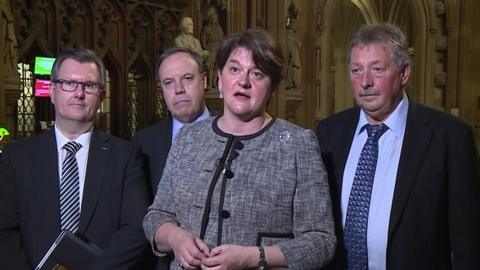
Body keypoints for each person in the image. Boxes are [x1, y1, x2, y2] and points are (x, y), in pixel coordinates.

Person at [143, 28, 336, 270]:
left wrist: (253, 257)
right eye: (234, 69)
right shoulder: (188, 139)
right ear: (219, 79)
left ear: (272, 88)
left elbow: (321, 242)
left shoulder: (297, 145)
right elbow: (156, 216)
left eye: (257, 74)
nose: (243, 81)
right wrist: (175, 238)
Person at [316, 23, 480, 270]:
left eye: (378, 70)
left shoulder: (450, 137)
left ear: (404, 74)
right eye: (356, 71)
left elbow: (469, 241)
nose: (365, 82)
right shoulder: (328, 133)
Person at [0, 48, 151, 269]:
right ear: (52, 91)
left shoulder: (126, 156)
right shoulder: (16, 157)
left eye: (89, 86)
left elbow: (136, 228)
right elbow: (4, 231)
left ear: (100, 96)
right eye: (69, 83)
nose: (79, 93)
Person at [133, 47, 211, 200]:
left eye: (187, 78)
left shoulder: (234, 133)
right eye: (168, 82)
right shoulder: (143, 143)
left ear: (204, 81)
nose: (178, 89)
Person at [201, 7, 224, 89]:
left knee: (216, 67)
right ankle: (209, 84)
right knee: (210, 67)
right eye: (212, 18)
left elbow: (222, 39)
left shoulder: (219, 28)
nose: (214, 20)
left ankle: (215, 83)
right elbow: (203, 38)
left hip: (218, 47)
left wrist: (222, 46)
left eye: (215, 18)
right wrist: (205, 48)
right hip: (211, 47)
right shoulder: (207, 28)